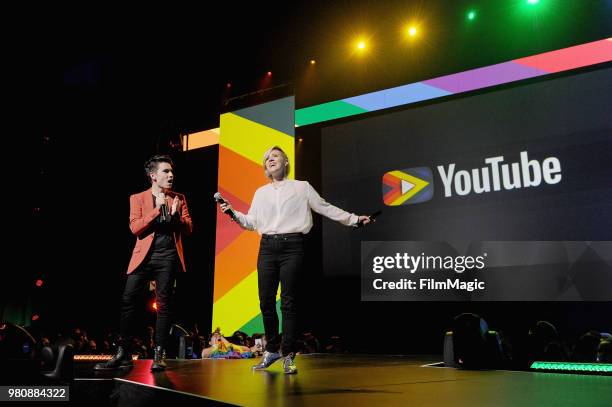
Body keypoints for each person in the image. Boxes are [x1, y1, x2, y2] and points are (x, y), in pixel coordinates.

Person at [219, 146, 370, 374]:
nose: (270, 160)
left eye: (275, 156)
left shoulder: (302, 187)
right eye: (267, 158)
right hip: (267, 247)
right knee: (265, 302)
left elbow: (324, 207)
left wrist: (354, 219)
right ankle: (271, 350)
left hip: (293, 246)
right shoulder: (261, 193)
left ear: (286, 162)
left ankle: (288, 353)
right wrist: (232, 213)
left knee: (288, 302)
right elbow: (251, 222)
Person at [95, 155, 193, 372]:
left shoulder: (179, 198)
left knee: (164, 304)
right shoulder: (137, 198)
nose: (171, 175)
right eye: (166, 171)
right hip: (143, 257)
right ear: (153, 176)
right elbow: (135, 228)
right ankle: (123, 353)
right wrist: (157, 209)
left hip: (167, 257)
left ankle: (159, 353)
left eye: (172, 172)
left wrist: (175, 215)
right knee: (128, 301)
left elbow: (188, 229)